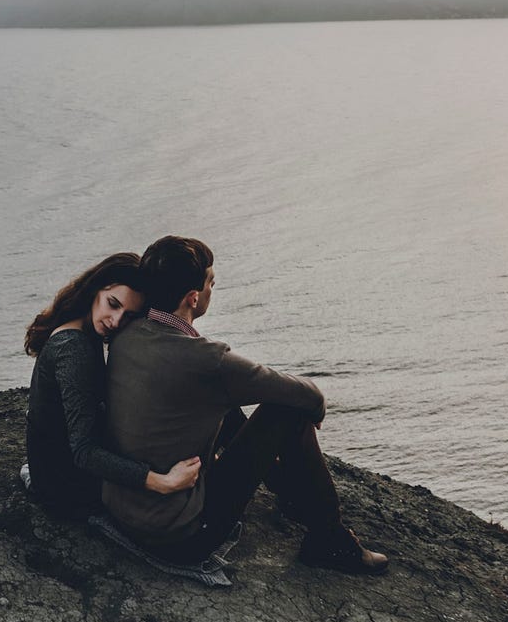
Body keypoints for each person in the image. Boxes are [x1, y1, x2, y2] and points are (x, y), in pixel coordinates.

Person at [103, 236, 387, 574]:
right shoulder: (208, 360)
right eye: (211, 283)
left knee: (224, 403)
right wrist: (313, 411)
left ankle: (294, 499)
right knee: (287, 412)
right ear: (193, 298)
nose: (212, 289)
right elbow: (308, 397)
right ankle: (330, 540)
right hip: (181, 536)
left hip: (122, 511)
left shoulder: (125, 332)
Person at [23, 253, 202, 518]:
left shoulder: (82, 328)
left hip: (49, 466)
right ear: (96, 288)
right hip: (64, 488)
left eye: (129, 315)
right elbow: (84, 452)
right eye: (113, 304)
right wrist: (162, 483)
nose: (116, 321)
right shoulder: (74, 348)